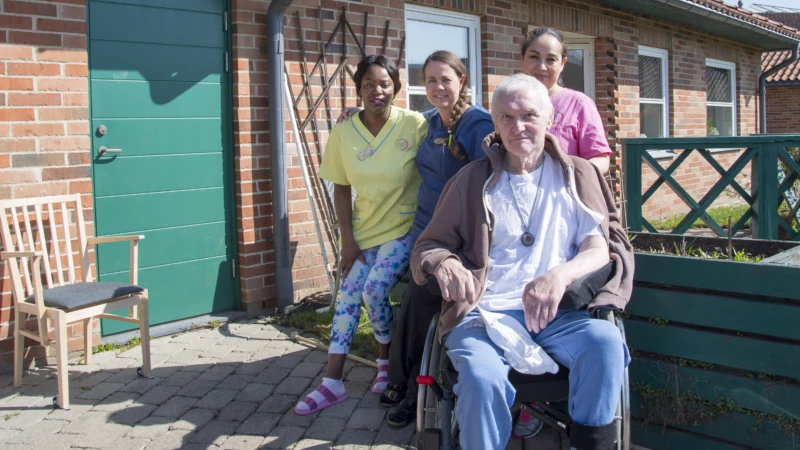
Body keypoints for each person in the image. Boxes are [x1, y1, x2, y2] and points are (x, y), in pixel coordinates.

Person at [410, 74, 634, 449]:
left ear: (549, 119)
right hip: (485, 315)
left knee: (606, 343)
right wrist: (444, 262)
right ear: (494, 124)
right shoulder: (471, 180)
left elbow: (599, 248)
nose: (518, 127)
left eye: (529, 115)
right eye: (507, 118)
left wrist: (559, 276)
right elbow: (428, 246)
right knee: (481, 379)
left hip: (559, 315)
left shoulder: (577, 175)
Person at [337, 50, 495, 427]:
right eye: (431, 81)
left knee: (418, 297)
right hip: (424, 234)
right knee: (414, 297)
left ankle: (410, 390)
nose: (439, 87)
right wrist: (352, 115)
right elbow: (389, 121)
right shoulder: (427, 123)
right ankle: (402, 380)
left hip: (459, 242)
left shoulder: (476, 123)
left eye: (446, 79)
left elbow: (490, 184)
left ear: (462, 81)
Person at [294, 55, 428, 416]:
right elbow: (340, 188)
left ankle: (385, 361)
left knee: (373, 289)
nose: (376, 90)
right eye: (368, 84)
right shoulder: (343, 132)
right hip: (365, 232)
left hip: (404, 229)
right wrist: (348, 241)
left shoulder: (414, 124)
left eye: (384, 83)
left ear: (396, 88)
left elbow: (448, 124)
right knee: (349, 295)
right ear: (358, 89)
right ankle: (332, 383)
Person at [521, 27, 612, 175]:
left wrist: (572, 177)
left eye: (551, 59)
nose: (542, 66)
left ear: (562, 63)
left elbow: (600, 159)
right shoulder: (511, 102)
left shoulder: (579, 104)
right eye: (534, 57)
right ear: (522, 58)